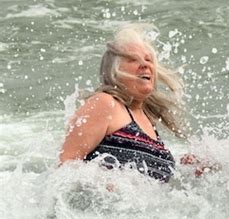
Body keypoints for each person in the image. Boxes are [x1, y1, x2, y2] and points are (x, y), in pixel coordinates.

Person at [60, 23, 185, 182]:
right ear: (114, 71)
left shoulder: (147, 119)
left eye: (148, 60)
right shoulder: (104, 103)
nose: (145, 64)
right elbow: (65, 164)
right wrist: (105, 182)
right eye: (133, 59)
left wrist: (187, 170)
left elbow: (150, 180)